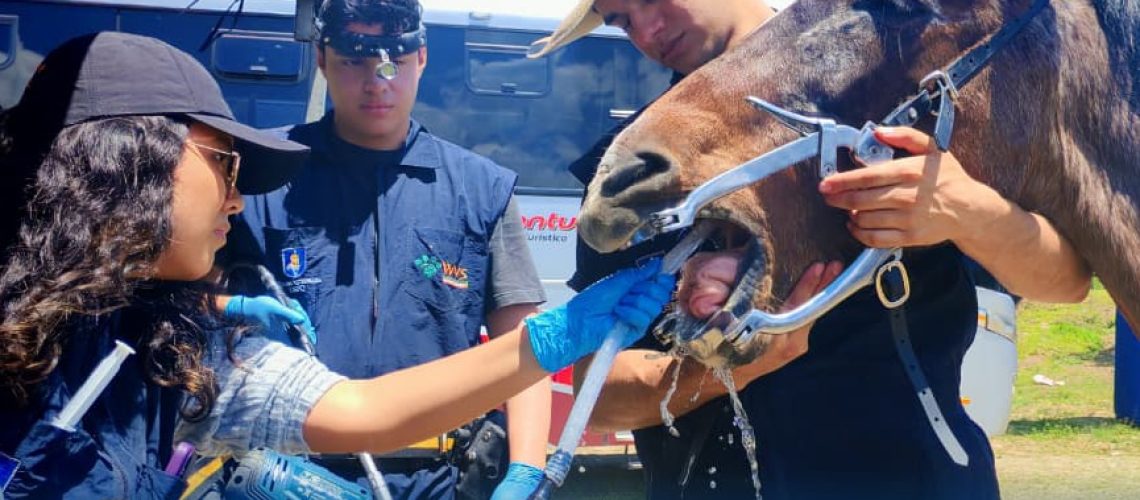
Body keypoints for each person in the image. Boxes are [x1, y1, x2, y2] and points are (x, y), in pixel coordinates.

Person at [0, 31, 675, 499]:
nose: (236, 199)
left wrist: (557, 337)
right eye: (226, 163)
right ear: (130, 160)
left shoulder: (174, 353)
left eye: (395, 58)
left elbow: (363, 407)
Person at [530, 1, 1093, 498]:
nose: (646, 31)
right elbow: (596, 396)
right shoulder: (639, 169)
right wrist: (742, 362)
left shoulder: (899, 91)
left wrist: (971, 211)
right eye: (621, 20)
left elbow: (1065, 281)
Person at [219, 0, 553, 497]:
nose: (376, 83)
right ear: (321, 60)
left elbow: (525, 346)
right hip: (287, 474)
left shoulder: (482, 189)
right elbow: (186, 307)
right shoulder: (261, 175)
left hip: (441, 477)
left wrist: (526, 470)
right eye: (353, 61)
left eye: (393, 61)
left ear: (422, 58)